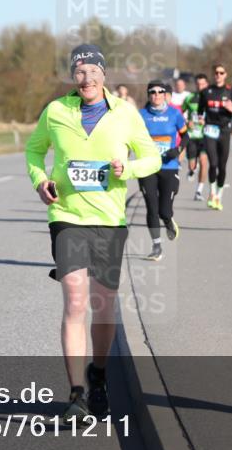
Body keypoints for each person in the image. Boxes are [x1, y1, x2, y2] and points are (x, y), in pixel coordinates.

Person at [26, 44, 161, 425]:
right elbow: (34, 152)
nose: (85, 78)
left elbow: (152, 156)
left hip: (109, 220)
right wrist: (40, 181)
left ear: (104, 75)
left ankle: (98, 374)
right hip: (66, 216)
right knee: (75, 301)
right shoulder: (56, 111)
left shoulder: (125, 114)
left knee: (103, 307)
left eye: (92, 71)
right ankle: (76, 396)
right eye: (78, 72)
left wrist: (128, 169)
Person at [138, 80, 188, 261]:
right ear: (148, 95)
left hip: (169, 166)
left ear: (165, 95)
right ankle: (156, 246)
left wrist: (178, 149)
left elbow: (186, 136)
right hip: (147, 167)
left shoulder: (175, 114)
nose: (156, 95)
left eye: (160, 92)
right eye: (152, 92)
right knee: (151, 207)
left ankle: (168, 221)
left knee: (164, 211)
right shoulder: (141, 115)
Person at [197, 63, 232, 210]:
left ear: (225, 75)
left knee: (222, 166)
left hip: (224, 131)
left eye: (221, 73)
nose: (218, 75)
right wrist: (201, 117)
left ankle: (219, 196)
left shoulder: (230, 92)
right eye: (216, 73)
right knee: (212, 163)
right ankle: (212, 193)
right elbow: (201, 109)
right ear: (214, 75)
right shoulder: (207, 92)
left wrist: (231, 109)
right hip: (210, 130)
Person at [183, 74, 210, 198]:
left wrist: (207, 122)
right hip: (192, 135)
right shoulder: (189, 98)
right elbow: (179, 114)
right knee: (192, 164)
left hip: (205, 136)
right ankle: (192, 169)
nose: (200, 86)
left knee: (204, 162)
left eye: (203, 84)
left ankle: (199, 190)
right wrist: (186, 122)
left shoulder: (211, 99)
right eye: (198, 84)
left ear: (207, 84)